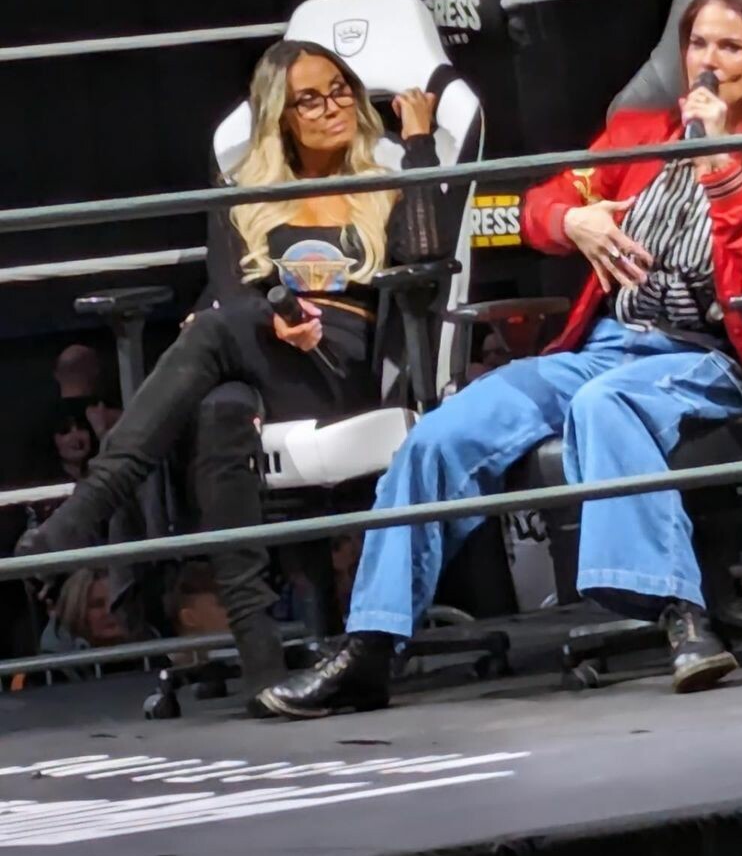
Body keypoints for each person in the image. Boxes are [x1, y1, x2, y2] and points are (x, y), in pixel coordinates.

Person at [258, 0, 742, 719]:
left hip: (705, 357)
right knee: (441, 435)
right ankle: (371, 646)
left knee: (605, 403)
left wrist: (721, 165)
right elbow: (540, 204)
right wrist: (574, 222)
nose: (709, 61)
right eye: (699, 43)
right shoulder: (641, 134)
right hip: (603, 347)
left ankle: (681, 615)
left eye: (731, 47)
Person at [16, 40, 452, 708]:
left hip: (342, 364)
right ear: (281, 116)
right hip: (262, 345)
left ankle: (86, 512)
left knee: (214, 332)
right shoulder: (243, 193)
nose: (334, 107)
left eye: (341, 89)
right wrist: (272, 318)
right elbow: (228, 290)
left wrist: (418, 143)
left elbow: (426, 256)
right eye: (311, 99)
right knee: (220, 406)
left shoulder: (383, 176)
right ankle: (262, 665)